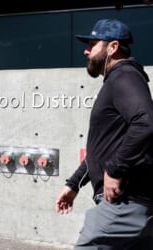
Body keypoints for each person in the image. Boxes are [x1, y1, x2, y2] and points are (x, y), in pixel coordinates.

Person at [55, 18, 153, 249]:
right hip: (134, 205)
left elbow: (146, 122)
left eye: (93, 44)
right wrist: (74, 184)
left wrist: (115, 169)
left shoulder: (124, 75)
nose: (86, 51)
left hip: (123, 204)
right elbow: (103, 147)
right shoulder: (119, 79)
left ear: (113, 47)